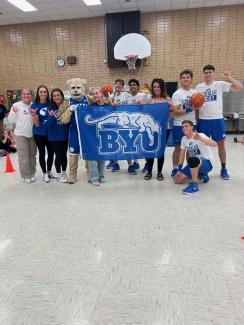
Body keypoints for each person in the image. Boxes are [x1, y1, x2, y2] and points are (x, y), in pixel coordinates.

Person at [195, 64, 243, 180]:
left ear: (213, 73)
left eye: (210, 72)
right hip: (204, 120)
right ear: (203, 74)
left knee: (221, 145)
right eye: (206, 72)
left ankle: (223, 168)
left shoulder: (220, 84)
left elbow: (239, 88)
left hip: (217, 120)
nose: (208, 74)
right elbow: (196, 106)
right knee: (202, 146)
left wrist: (229, 78)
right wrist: (197, 121)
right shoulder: (199, 87)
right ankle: (203, 170)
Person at [174, 120, 217, 194]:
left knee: (193, 160)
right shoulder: (184, 139)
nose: (184, 128)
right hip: (195, 163)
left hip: (207, 163)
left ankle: (194, 185)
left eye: (186, 126)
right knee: (178, 180)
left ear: (192, 127)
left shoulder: (200, 135)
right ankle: (201, 176)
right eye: (183, 127)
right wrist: (179, 169)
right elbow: (182, 154)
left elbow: (214, 144)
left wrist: (201, 139)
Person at [171, 69, 197, 177]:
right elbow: (175, 112)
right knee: (178, 147)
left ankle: (189, 168)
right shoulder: (177, 94)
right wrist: (187, 110)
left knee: (191, 148)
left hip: (192, 124)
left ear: (191, 79)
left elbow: (198, 109)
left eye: (187, 77)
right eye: (183, 77)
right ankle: (175, 168)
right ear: (181, 80)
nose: (185, 79)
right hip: (179, 124)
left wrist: (196, 122)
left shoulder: (195, 94)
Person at [144, 78, 171, 181]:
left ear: (162, 88)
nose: (156, 89)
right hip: (151, 128)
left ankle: (159, 172)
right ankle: (149, 172)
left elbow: (171, 116)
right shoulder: (149, 99)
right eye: (154, 87)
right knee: (150, 149)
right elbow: (143, 112)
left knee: (161, 150)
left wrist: (171, 108)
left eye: (158, 87)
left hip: (164, 129)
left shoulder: (167, 100)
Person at [8, 88, 37, 183]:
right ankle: (25, 175)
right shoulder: (16, 105)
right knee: (23, 156)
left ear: (31, 95)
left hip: (32, 135)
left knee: (32, 155)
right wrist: (13, 112)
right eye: (24, 94)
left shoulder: (33, 105)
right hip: (20, 135)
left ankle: (32, 173)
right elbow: (10, 120)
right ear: (21, 95)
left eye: (28, 94)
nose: (26, 95)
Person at [106, 79, 132, 173]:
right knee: (116, 144)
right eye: (116, 83)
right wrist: (110, 105)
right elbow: (107, 109)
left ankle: (130, 165)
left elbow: (131, 107)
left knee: (127, 144)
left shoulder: (127, 95)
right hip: (114, 123)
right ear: (114, 85)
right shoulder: (111, 96)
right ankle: (116, 163)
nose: (118, 85)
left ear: (122, 86)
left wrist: (119, 107)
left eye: (120, 84)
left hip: (125, 123)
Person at [30, 85, 54, 183]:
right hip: (39, 133)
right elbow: (37, 123)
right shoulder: (34, 105)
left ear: (47, 93)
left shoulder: (51, 104)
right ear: (38, 94)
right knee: (42, 153)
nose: (43, 94)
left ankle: (48, 171)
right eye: (41, 92)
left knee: (51, 153)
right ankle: (44, 173)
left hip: (50, 133)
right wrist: (34, 115)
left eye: (45, 92)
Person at [47, 88, 69, 183]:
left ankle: (64, 172)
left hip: (65, 136)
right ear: (52, 98)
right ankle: (59, 174)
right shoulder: (50, 108)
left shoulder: (66, 107)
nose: (56, 97)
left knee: (64, 156)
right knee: (59, 156)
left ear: (62, 96)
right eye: (54, 96)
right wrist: (51, 116)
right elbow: (47, 125)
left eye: (58, 95)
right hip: (54, 138)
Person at [88, 87, 107, 186]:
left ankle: (101, 176)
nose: (95, 95)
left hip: (104, 135)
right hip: (92, 135)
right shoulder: (90, 106)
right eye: (93, 94)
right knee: (92, 158)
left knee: (102, 158)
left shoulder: (108, 105)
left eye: (96, 93)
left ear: (101, 94)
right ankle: (93, 178)